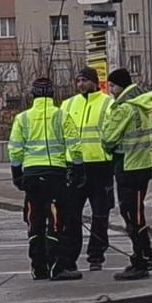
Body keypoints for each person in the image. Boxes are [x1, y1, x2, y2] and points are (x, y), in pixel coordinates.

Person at [7, 77, 69, 281]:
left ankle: (38, 267)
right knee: (55, 219)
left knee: (35, 220)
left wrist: (17, 174)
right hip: (56, 174)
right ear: (53, 94)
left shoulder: (23, 118)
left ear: (32, 95)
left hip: (32, 175)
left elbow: (15, 149)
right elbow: (74, 144)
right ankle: (56, 267)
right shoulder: (61, 115)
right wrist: (77, 169)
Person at [57, 67, 115, 275]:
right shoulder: (68, 104)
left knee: (100, 214)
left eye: (84, 80)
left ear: (95, 81)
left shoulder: (108, 103)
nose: (80, 84)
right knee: (71, 216)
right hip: (74, 166)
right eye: (78, 80)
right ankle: (69, 259)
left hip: (101, 166)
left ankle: (96, 256)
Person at [101, 68, 152, 280]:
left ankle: (141, 258)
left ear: (120, 86)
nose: (111, 91)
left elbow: (108, 138)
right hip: (143, 164)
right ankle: (145, 254)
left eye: (112, 86)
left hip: (128, 165)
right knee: (137, 211)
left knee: (131, 214)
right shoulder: (145, 104)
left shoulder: (124, 108)